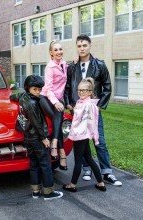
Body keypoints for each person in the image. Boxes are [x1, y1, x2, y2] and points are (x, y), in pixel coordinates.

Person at [64, 34, 122, 186]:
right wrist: (69, 104)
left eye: (84, 45)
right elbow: (67, 88)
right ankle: (86, 168)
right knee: (81, 141)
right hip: (77, 110)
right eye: (79, 46)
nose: (82, 48)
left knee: (99, 141)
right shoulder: (72, 67)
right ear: (76, 47)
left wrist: (98, 105)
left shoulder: (99, 65)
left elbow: (107, 87)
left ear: (90, 46)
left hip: (93, 110)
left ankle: (106, 172)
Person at [10, 75, 63, 200]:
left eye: (40, 89)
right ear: (28, 88)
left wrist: (11, 94)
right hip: (37, 138)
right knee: (45, 165)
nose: (38, 92)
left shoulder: (23, 96)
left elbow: (13, 96)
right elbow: (37, 123)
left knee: (34, 164)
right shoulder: (33, 103)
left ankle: (35, 191)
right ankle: (49, 192)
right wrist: (44, 138)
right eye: (35, 89)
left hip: (27, 137)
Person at [63, 78, 106, 192]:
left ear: (90, 92)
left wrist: (76, 110)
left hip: (80, 135)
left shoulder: (87, 105)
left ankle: (72, 185)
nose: (81, 92)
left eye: (84, 90)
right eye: (79, 90)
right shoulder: (83, 103)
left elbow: (84, 122)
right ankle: (100, 183)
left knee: (78, 160)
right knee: (89, 158)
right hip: (84, 135)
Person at [40, 40, 68, 170]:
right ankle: (60, 151)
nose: (59, 52)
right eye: (55, 50)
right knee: (58, 118)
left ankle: (55, 144)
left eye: (60, 49)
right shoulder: (49, 67)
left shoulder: (64, 64)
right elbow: (49, 89)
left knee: (58, 118)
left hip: (58, 98)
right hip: (45, 97)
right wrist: (56, 102)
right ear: (51, 53)